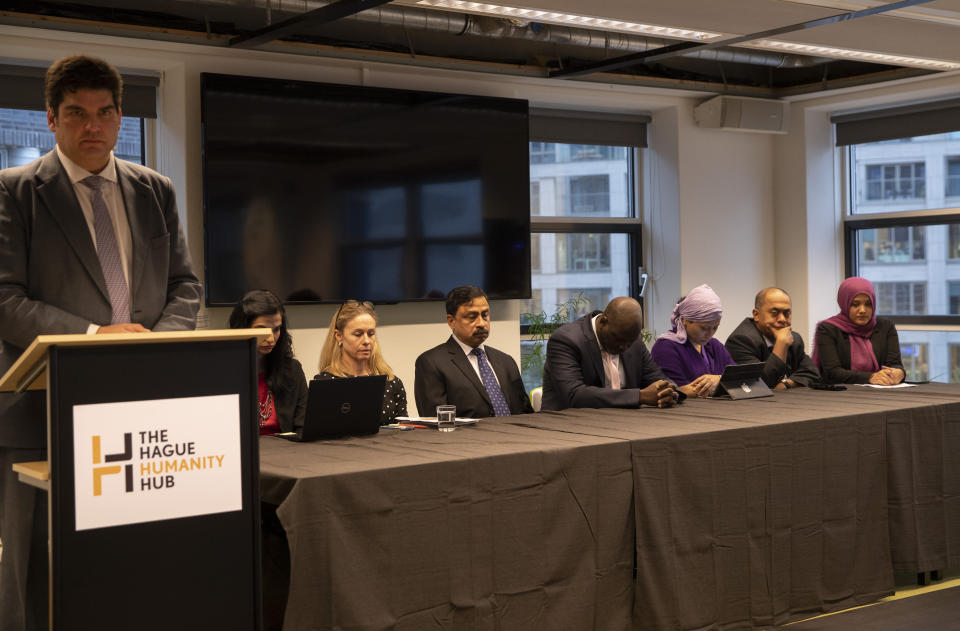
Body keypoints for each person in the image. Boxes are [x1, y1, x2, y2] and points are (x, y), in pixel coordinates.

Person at [0, 55, 201, 631]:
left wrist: (155, 344)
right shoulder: (15, 191)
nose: (93, 126)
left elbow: (185, 285)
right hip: (38, 411)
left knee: (131, 563)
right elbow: (4, 299)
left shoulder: (154, 189)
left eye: (105, 112)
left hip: (139, 411)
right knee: (34, 570)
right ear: (50, 119)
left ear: (120, 117)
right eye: (76, 114)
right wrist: (95, 337)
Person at [541, 296, 678, 411]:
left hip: (623, 424)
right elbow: (574, 395)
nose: (623, 346)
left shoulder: (633, 340)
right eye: (618, 338)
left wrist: (667, 391)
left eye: (628, 342)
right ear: (603, 321)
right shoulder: (566, 340)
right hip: (567, 427)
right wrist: (640, 396)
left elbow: (657, 378)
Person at [415, 286, 533, 418]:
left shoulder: (506, 361)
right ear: (451, 321)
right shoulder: (431, 363)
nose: (481, 323)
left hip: (516, 436)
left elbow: (525, 412)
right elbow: (436, 421)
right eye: (472, 317)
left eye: (485, 315)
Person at [229, 290, 308, 434]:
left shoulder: (292, 370)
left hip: (287, 452)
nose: (271, 339)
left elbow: (303, 427)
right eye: (261, 330)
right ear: (242, 328)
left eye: (276, 329)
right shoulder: (225, 373)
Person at [317, 300, 407, 425]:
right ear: (339, 336)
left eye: (371, 334)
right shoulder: (325, 383)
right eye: (358, 334)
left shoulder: (391, 382)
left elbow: (404, 432)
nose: (366, 341)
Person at [813, 277, 905, 385]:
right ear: (845, 303)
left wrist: (899, 373)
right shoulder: (828, 329)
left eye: (868, 304)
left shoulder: (885, 327)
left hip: (881, 392)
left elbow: (894, 364)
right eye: (855, 304)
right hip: (840, 394)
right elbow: (833, 372)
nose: (862, 310)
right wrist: (870, 377)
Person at [724, 287, 819, 390]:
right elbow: (756, 385)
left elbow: (813, 374)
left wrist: (786, 384)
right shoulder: (741, 340)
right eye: (775, 313)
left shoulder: (794, 339)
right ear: (756, 315)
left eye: (787, 313)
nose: (782, 319)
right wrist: (781, 346)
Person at [650, 285, 734, 398]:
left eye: (715, 327)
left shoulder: (714, 345)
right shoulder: (665, 348)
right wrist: (723, 384)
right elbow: (675, 390)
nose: (710, 334)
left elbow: (738, 378)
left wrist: (719, 379)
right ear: (685, 320)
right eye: (704, 328)